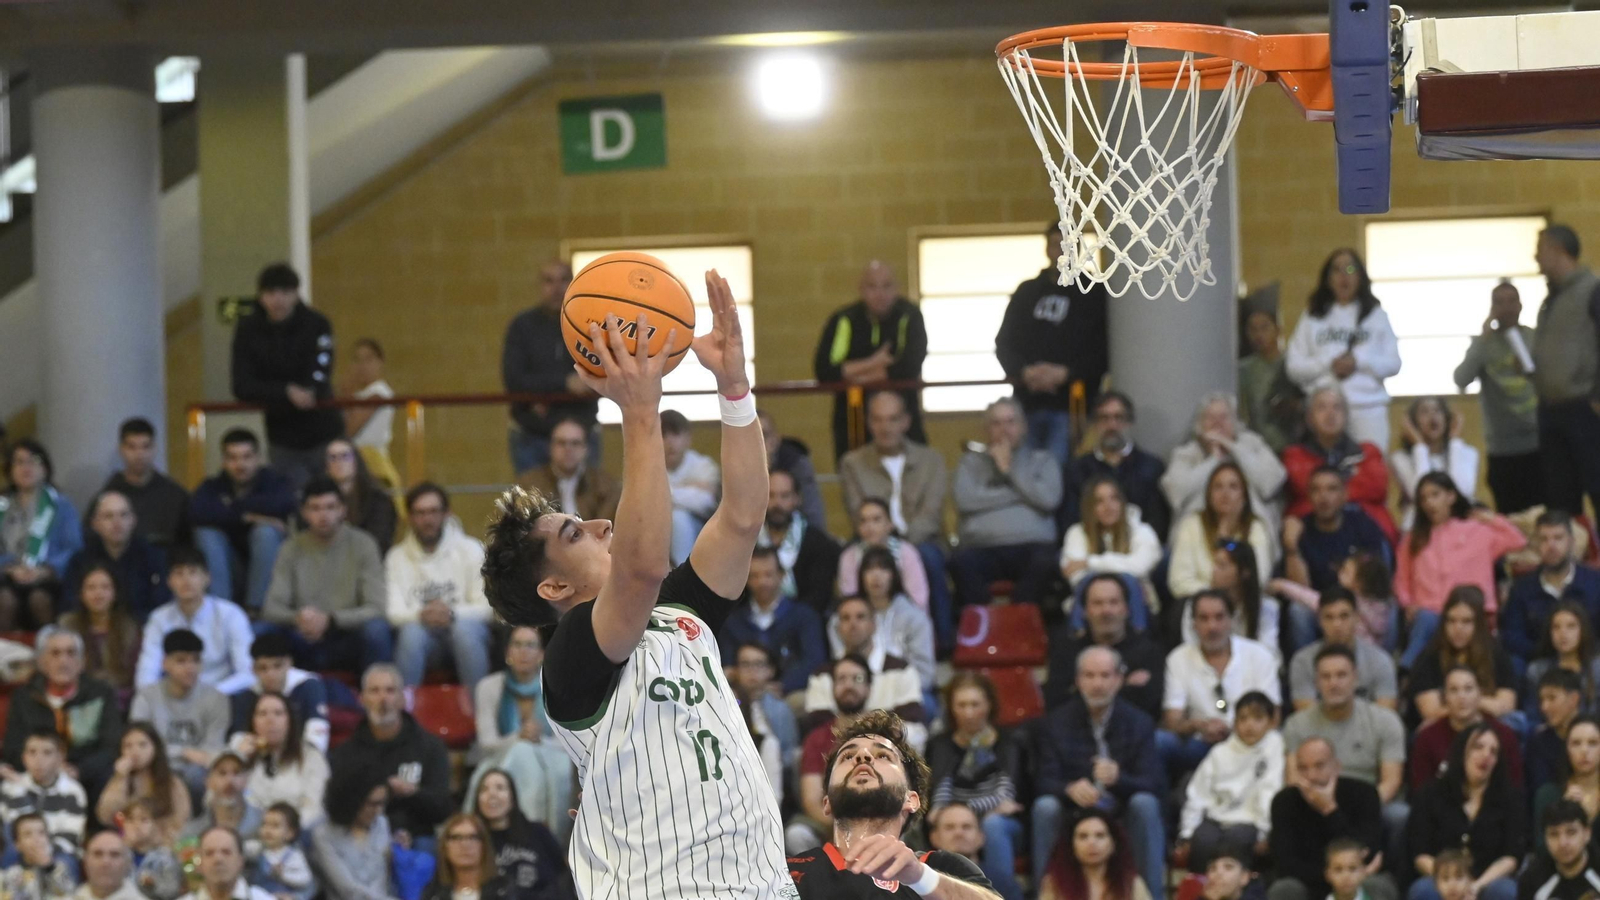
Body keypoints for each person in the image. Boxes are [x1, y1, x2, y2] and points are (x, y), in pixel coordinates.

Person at [479, 275, 796, 898]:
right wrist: (638, 410)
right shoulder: (570, 655)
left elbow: (741, 515)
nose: (600, 523)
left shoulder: (682, 611)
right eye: (576, 533)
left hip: (758, 881)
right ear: (551, 589)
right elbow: (642, 567)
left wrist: (734, 390)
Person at [784, 710, 999, 899]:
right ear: (827, 801)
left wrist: (918, 877)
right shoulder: (786, 871)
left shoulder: (941, 868)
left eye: (883, 755)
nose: (862, 756)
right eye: (848, 756)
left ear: (911, 799)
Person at [1033, 646, 1165, 896]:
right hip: (1075, 812)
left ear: (1118, 680)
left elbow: (1153, 783)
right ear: (1078, 680)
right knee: (1045, 807)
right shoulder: (1056, 723)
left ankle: (1150, 894)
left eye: (1105, 676)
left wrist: (1119, 779)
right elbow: (1042, 780)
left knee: (1146, 804)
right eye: (1090, 676)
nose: (1097, 684)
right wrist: (1068, 788)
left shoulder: (1139, 722)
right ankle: (1047, 893)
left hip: (1121, 809)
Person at [995, 222, 1110, 467]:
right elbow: (1004, 342)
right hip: (1027, 404)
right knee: (1022, 468)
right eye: (1054, 245)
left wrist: (1066, 373)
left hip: (1072, 405)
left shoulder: (1094, 293)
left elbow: (1104, 350)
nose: (1059, 251)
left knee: (1059, 472)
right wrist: (1024, 372)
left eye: (1066, 246)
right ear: (1046, 249)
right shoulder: (1027, 293)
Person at [838, 391, 950, 637]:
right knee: (847, 559)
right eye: (878, 419)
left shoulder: (932, 460)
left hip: (921, 539)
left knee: (928, 558)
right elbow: (857, 510)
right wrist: (879, 536)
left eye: (892, 419)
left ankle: (941, 639)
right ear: (869, 423)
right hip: (870, 538)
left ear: (906, 422)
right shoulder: (853, 463)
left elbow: (931, 515)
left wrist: (900, 543)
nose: (885, 427)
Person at [1281, 645, 1408, 860]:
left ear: (1355, 678)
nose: (1334, 683)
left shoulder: (1384, 721)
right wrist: (1321, 803)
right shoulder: (1297, 724)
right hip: (1313, 800)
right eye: (1326, 677)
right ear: (1316, 682)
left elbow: (1392, 781)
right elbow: (1294, 779)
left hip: (1368, 802)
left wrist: (1356, 808)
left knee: (1399, 816)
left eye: (1341, 675)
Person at [231, 262, 344, 491]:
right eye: (271, 293)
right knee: (296, 502)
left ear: (296, 294)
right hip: (283, 436)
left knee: (336, 495)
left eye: (285, 292)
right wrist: (285, 392)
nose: (278, 300)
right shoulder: (248, 330)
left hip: (324, 430)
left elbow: (323, 367)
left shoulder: (317, 324)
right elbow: (241, 384)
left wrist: (310, 390)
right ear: (261, 296)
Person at [260, 477, 390, 673]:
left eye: (330, 507)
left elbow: (376, 608)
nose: (323, 515)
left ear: (342, 510)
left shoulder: (364, 544)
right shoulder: (291, 548)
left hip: (346, 635)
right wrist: (298, 618)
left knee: (377, 630)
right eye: (315, 508)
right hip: (302, 635)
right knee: (260, 631)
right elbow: (271, 608)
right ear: (304, 512)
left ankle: (377, 693)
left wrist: (331, 619)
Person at [1396, 474, 1526, 668]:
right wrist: (1408, 604)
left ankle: (1405, 668)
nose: (1429, 502)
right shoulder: (1413, 539)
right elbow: (1402, 579)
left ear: (1451, 497)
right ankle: (1407, 669)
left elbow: (1518, 540)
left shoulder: (1477, 531)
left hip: (1471, 613)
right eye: (1424, 498)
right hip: (1430, 614)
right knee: (1426, 621)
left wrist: (1491, 519)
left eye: (1435, 495)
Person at [948, 398, 1063, 609]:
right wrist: (1022, 493)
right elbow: (965, 500)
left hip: (1034, 547)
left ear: (1023, 427)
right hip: (980, 548)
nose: (1004, 429)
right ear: (986, 429)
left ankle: (1020, 621)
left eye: (1011, 422)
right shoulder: (969, 463)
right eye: (996, 423)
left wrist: (1008, 470)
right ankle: (984, 625)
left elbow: (1049, 500)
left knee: (1047, 563)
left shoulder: (1043, 460)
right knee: (959, 563)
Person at [812, 260, 930, 462]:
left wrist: (854, 374)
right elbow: (823, 371)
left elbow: (910, 365)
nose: (880, 294)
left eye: (886, 286)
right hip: (853, 417)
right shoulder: (843, 319)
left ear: (897, 288)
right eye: (872, 286)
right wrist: (875, 362)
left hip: (904, 414)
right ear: (861, 289)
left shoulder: (910, 315)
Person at [465, 625, 576, 840]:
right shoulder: (488, 687)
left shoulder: (559, 686)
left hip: (551, 758)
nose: (523, 651)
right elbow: (486, 742)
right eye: (517, 645)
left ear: (541, 654)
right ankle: (532, 835)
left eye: (530, 645)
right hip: (500, 758)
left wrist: (537, 740)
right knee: (521, 752)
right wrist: (518, 738)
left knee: (526, 752)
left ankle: (528, 835)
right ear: (508, 652)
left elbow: (569, 741)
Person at [1284, 248, 1402, 449]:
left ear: (1360, 276)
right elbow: (1293, 367)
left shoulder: (1377, 316)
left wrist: (1358, 362)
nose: (1343, 276)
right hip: (1322, 413)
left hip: (1367, 409)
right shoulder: (1312, 317)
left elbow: (1393, 364)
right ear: (1327, 278)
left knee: (1369, 472)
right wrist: (1328, 364)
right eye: (1336, 270)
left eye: (1350, 269)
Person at [926, 673, 1026, 900]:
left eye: (975, 704)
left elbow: (1008, 798)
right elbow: (938, 793)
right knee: (947, 824)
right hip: (955, 816)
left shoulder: (1010, 741)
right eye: (961, 705)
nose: (969, 712)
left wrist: (961, 811)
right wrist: (955, 814)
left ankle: (1000, 892)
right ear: (951, 708)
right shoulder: (939, 745)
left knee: (993, 824)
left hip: (1003, 824)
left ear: (989, 705)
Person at [329, 664, 451, 849]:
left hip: (415, 838)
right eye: (374, 691)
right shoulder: (345, 753)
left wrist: (412, 793)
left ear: (402, 699)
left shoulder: (430, 747)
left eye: (390, 691)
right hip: (360, 837)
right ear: (362, 699)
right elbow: (336, 809)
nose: (383, 698)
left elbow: (443, 809)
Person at [1160, 591, 1281, 775]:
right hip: (1201, 743)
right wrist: (1199, 725)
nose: (1212, 627)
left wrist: (1237, 729)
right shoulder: (1178, 658)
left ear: (1232, 620)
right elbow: (1172, 721)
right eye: (1204, 619)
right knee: (1160, 742)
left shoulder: (1259, 655)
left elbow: (1274, 718)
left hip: (1250, 743)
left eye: (1219, 617)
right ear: (1193, 624)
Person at [386, 482, 492, 690]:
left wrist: (451, 614)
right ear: (409, 517)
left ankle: (481, 714)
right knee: (411, 634)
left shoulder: (471, 549)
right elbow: (392, 611)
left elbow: (488, 608)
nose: (428, 519)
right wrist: (422, 615)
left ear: (446, 514)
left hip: (465, 632)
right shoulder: (396, 557)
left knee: (465, 632)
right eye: (420, 513)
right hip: (421, 637)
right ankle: (405, 714)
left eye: (434, 511)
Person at [502, 259, 599, 478]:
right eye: (549, 281)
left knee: (587, 506)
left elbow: (599, 374)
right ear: (540, 285)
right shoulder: (522, 326)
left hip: (583, 431)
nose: (557, 288)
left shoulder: (589, 323)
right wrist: (565, 383)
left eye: (564, 280)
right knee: (534, 507)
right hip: (533, 433)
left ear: (573, 283)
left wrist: (544, 395)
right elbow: (514, 380)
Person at [1406, 724, 1525, 900]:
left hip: (1487, 880)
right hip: (1441, 878)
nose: (1486, 755)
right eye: (1478, 747)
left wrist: (1474, 886)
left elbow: (1511, 856)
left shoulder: (1510, 798)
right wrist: (1448, 881)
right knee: (1423, 890)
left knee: (1505, 891)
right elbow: (1420, 852)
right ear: (1462, 751)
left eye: (1493, 752)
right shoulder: (1431, 793)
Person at [1455, 281, 1543, 514]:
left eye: (1511, 301)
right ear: (1491, 308)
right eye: (1499, 302)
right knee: (1510, 517)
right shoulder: (1484, 344)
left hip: (1538, 442)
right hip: (1502, 448)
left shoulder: (1534, 338)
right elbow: (1461, 379)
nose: (1506, 307)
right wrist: (1482, 339)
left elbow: (1553, 381)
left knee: (1541, 516)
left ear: (1521, 305)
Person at [1, 628, 123, 797]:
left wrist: (78, 770)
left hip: (87, 777)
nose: (63, 661)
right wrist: (45, 768)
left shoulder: (101, 694)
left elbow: (111, 746)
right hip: (35, 776)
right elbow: (13, 748)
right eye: (55, 653)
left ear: (82, 662)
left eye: (71, 653)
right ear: (42, 662)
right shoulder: (24, 696)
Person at [1530, 225, 1600, 518]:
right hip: (1551, 410)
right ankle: (1571, 563)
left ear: (1558, 249)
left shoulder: (1592, 291)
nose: (1536, 257)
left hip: (1584, 408)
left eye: (1540, 249)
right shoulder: (1550, 300)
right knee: (1561, 500)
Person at [1267, 738, 1393, 900]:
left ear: (1336, 767)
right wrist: (1334, 876)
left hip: (1357, 880)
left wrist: (1330, 810)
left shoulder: (1364, 794)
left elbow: (1367, 853)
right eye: (1303, 768)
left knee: (1377, 885)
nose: (1311, 776)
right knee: (1284, 889)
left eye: (1319, 766)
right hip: (1308, 884)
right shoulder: (1284, 801)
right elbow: (1285, 863)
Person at [190, 429, 295, 613]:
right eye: (233, 458)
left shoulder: (276, 483)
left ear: (259, 458)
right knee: (206, 534)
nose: (240, 464)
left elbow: (284, 504)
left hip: (272, 572)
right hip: (230, 569)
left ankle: (255, 609)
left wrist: (231, 510)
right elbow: (196, 512)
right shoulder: (212, 486)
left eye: (247, 457)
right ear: (223, 461)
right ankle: (221, 613)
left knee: (265, 533)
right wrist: (247, 517)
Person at [1177, 691, 1283, 872]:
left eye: (1258, 719)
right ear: (1234, 723)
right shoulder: (1220, 752)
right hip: (1216, 818)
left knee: (1236, 842)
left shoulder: (1276, 747)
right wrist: (1187, 834)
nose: (1250, 725)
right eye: (1243, 719)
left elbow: (1270, 792)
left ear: (1271, 722)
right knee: (1202, 840)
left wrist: (1264, 833)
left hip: (1251, 823)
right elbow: (1198, 793)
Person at [802, 599, 928, 744]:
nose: (853, 624)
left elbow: (916, 730)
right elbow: (818, 732)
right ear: (837, 628)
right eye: (845, 618)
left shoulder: (901, 670)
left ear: (873, 625)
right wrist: (876, 725)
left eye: (860, 617)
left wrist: (864, 731)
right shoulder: (821, 675)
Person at [1162, 392, 1287, 535]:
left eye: (1224, 417)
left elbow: (1269, 484)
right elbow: (1177, 493)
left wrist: (1232, 447)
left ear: (1235, 423)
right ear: (1199, 426)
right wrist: (1214, 459)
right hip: (1198, 535)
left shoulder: (1253, 444)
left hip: (1251, 533)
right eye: (1210, 418)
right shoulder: (1185, 454)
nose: (1217, 423)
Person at [1282, 386, 1396, 541]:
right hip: (1313, 535)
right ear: (1309, 418)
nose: (1330, 414)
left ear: (1347, 416)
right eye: (1322, 407)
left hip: (1366, 534)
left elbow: (1376, 487)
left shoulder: (1368, 452)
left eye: (1337, 407)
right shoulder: (1294, 455)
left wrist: (1328, 490)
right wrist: (1351, 481)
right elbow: (1303, 486)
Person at [130, 629, 230, 803]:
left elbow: (212, 750)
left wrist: (187, 756)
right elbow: (139, 745)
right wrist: (184, 752)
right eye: (181, 661)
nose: (190, 668)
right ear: (165, 663)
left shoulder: (217, 699)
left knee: (197, 776)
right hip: (155, 766)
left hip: (197, 771)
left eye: (195, 660)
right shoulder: (146, 697)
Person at [786, 655, 874, 854]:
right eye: (841, 679)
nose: (849, 685)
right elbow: (811, 800)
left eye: (857, 679)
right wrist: (845, 830)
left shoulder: (883, 738)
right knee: (796, 835)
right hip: (828, 823)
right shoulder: (817, 739)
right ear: (832, 687)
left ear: (869, 687)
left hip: (876, 824)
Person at [1045, 574, 1165, 718]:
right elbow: (1056, 704)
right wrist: (1124, 685)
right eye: (1097, 603)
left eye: (1113, 602)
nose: (1106, 611)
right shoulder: (1065, 651)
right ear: (1084, 611)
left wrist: (1084, 690)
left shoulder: (1149, 651)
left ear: (1126, 609)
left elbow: (1150, 707)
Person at [137, 548, 255, 694]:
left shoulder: (231, 614)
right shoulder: (159, 618)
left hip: (221, 694)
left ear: (207, 578)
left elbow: (248, 673)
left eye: (193, 572)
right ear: (169, 581)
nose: (186, 580)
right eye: (179, 573)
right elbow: (146, 672)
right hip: (174, 697)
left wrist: (209, 697)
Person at [1061, 392, 1171, 542]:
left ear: (1129, 422)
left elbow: (1158, 522)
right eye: (1104, 418)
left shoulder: (1152, 467)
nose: (1112, 425)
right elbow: (1071, 520)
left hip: (1142, 551)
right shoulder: (1076, 469)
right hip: (1091, 549)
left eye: (1118, 418)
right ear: (1095, 424)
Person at [1409, 588, 1521, 731]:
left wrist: (1463, 704)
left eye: (1466, 621)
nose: (1458, 628)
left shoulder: (1496, 654)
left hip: (1487, 729)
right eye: (1451, 621)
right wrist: (1478, 704)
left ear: (1479, 624)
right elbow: (1430, 712)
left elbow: (1505, 706)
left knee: (1514, 722)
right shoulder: (1429, 657)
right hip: (1446, 729)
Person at [719, 549, 827, 696]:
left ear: (781, 575)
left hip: (791, 693)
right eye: (754, 576)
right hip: (742, 695)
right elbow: (728, 663)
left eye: (768, 574)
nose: (762, 582)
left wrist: (783, 686)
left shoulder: (804, 616)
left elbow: (813, 660)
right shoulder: (733, 621)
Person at [0, 440, 83, 630]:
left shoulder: (61, 506)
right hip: (6, 576)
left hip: (48, 577)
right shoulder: (1, 505)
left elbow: (74, 548)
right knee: (4, 600)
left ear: (45, 468)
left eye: (33, 461)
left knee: (39, 599)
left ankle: (51, 650)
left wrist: (46, 570)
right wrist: (10, 568)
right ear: (9, 470)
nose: (26, 468)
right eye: (19, 462)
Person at [1503, 510, 1600, 672]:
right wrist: (1549, 653)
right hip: (1540, 663)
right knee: (1517, 665)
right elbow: (1512, 636)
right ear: (1536, 545)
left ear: (1571, 542)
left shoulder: (1595, 582)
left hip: (1591, 660)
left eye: (1558, 538)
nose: (1551, 546)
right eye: (1544, 539)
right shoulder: (1522, 588)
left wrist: (1580, 653)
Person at [829, 549, 934, 692]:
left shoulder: (915, 618)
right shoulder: (841, 620)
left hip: (904, 691)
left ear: (894, 575)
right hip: (855, 692)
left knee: (925, 705)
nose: (876, 576)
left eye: (883, 568)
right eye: (869, 569)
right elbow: (840, 663)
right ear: (861, 576)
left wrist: (888, 691)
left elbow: (925, 674)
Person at [61, 489, 168, 623]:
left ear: (133, 520)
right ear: (95, 524)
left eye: (123, 515)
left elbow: (162, 603)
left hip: (142, 628)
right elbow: (70, 602)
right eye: (108, 516)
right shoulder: (80, 560)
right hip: (92, 629)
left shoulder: (153, 557)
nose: (117, 523)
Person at [1281, 466, 1393, 594]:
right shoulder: (1299, 530)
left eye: (1331, 489)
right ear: (1309, 496)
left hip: (1359, 599)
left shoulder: (1363, 524)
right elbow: (1298, 592)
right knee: (1298, 610)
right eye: (1316, 490)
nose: (1323, 497)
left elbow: (1374, 582)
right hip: (1318, 603)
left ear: (1345, 494)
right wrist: (1291, 548)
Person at [230, 692, 329, 832]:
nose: (270, 720)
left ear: (289, 720)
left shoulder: (311, 757)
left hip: (297, 833)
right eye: (262, 714)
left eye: (278, 713)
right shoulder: (240, 754)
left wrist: (282, 832)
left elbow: (314, 808)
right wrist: (237, 759)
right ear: (253, 721)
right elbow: (221, 800)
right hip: (250, 833)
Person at [467, 769, 572, 900]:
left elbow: (562, 874)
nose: (492, 794)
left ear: (512, 797)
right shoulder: (471, 839)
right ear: (477, 799)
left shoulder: (538, 832)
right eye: (484, 789)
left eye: (500, 788)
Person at [1288, 588, 1398, 712]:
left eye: (1344, 616)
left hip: (1368, 731)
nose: (1337, 625)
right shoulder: (1303, 662)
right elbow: (1306, 717)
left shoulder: (1380, 661)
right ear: (1319, 621)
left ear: (1356, 618)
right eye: (1329, 617)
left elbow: (1386, 716)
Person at [227, 634, 332, 754]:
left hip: (302, 756)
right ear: (253, 670)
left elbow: (317, 731)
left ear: (289, 664)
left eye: (277, 666)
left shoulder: (308, 686)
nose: (271, 675)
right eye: (263, 668)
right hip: (260, 758)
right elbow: (238, 737)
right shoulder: (247, 696)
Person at [1179, 537, 1280, 659]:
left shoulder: (1266, 608)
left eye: (1222, 566)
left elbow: (1269, 653)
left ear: (1244, 573)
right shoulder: (1196, 605)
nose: (1214, 570)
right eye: (1214, 563)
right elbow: (1191, 649)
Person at [1059, 477, 1162, 595]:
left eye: (1114, 499)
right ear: (1089, 507)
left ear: (1122, 502)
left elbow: (1139, 567)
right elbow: (1075, 576)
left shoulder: (1142, 531)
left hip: (1133, 597)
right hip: (1091, 599)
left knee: (1131, 584)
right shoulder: (1076, 532)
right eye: (1099, 501)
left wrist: (1089, 563)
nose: (1108, 506)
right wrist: (1120, 568)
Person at [758, 468, 840, 616]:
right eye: (771, 495)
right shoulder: (748, 542)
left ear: (797, 498)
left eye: (785, 496)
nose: (777, 503)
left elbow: (819, 596)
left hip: (803, 624)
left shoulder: (817, 542)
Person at [103, 418, 192, 554]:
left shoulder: (175, 495)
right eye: (132, 447)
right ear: (121, 449)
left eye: (145, 446)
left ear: (154, 448)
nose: (139, 455)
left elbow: (188, 543)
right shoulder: (109, 496)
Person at [1393, 397, 1480, 531]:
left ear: (1447, 418)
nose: (1432, 416)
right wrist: (1420, 446)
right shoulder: (1401, 458)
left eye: (1438, 410)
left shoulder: (1468, 453)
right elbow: (1422, 493)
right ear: (1413, 423)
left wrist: (1455, 442)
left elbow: (1462, 491)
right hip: (1421, 529)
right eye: (1424, 412)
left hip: (1461, 528)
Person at [95, 723, 191, 843]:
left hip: (163, 847)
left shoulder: (172, 783)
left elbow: (179, 822)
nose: (135, 751)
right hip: (126, 846)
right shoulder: (120, 779)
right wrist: (120, 778)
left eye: (142, 745)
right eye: (128, 746)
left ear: (155, 747)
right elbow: (105, 815)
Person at [310, 770, 397, 900]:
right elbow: (348, 889)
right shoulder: (323, 835)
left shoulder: (381, 824)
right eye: (372, 804)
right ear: (352, 801)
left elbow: (383, 880)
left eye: (381, 803)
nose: (378, 811)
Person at [56, 561, 141, 691]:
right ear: (81, 594)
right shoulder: (67, 626)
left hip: (120, 699)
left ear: (115, 593)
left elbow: (133, 675)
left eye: (105, 587)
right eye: (91, 587)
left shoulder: (128, 628)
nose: (98, 594)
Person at [0, 731, 87, 858]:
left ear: (60, 757)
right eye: (32, 752)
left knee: (66, 860)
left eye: (47, 753)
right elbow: (17, 831)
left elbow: (70, 837)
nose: (38, 759)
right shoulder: (11, 787)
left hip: (57, 855)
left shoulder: (73, 791)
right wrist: (20, 789)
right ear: (24, 757)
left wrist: (44, 854)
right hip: (18, 854)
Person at [1035, 808, 1150, 900]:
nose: (1092, 843)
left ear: (1113, 844)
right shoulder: (1054, 884)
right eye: (1083, 836)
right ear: (1071, 845)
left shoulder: (1131, 884)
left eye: (1100, 835)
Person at [519, 418, 620, 521]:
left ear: (586, 449)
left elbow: (605, 526)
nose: (568, 449)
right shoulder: (529, 484)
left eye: (575, 443)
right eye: (561, 443)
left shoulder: (606, 486)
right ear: (550, 448)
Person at [837, 498, 930, 610]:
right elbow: (849, 600)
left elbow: (919, 599)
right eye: (863, 521)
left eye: (876, 520)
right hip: (864, 619)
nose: (869, 527)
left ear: (890, 524)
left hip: (903, 617)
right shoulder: (849, 556)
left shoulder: (906, 552)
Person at [1238, 291, 1301, 454]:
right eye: (1253, 329)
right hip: (1257, 448)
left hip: (1292, 446)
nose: (1259, 335)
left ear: (1278, 330)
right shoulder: (1244, 369)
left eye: (1265, 327)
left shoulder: (1294, 364)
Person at [727, 643, 801, 775]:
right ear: (736, 670)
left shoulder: (780, 709)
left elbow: (789, 753)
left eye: (759, 664)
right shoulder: (727, 703)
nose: (752, 670)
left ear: (770, 670)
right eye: (745, 664)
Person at [1530, 717, 1600, 852]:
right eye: (1576, 743)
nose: (1584, 750)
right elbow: (1542, 850)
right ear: (1566, 749)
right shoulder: (1548, 794)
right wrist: (1563, 813)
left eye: (1593, 743)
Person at [661, 408, 721, 566]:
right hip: (657, 531)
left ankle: (681, 572)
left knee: (679, 517)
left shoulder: (704, 465)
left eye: (676, 434)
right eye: (663, 435)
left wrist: (665, 493)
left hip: (701, 530)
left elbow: (705, 502)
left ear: (688, 438)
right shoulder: (645, 469)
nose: (670, 442)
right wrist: (690, 487)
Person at [1525, 602, 1600, 720]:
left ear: (1582, 630)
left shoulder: (1596, 669)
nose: (1563, 633)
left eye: (1571, 626)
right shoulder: (1538, 670)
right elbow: (1533, 717)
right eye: (1556, 627)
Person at [323, 439, 398, 556]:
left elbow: (378, 543)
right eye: (333, 457)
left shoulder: (378, 500)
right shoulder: (317, 499)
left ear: (356, 460)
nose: (339, 462)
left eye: (345, 456)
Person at [759, 409, 829, 534]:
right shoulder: (733, 465)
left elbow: (814, 515)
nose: (758, 443)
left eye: (764, 435)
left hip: (796, 537)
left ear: (776, 439)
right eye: (750, 437)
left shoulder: (797, 463)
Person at [1517, 799, 1600, 900]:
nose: (1562, 843)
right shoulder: (1531, 879)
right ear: (1545, 839)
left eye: (1571, 832)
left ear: (1587, 834)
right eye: (1554, 834)